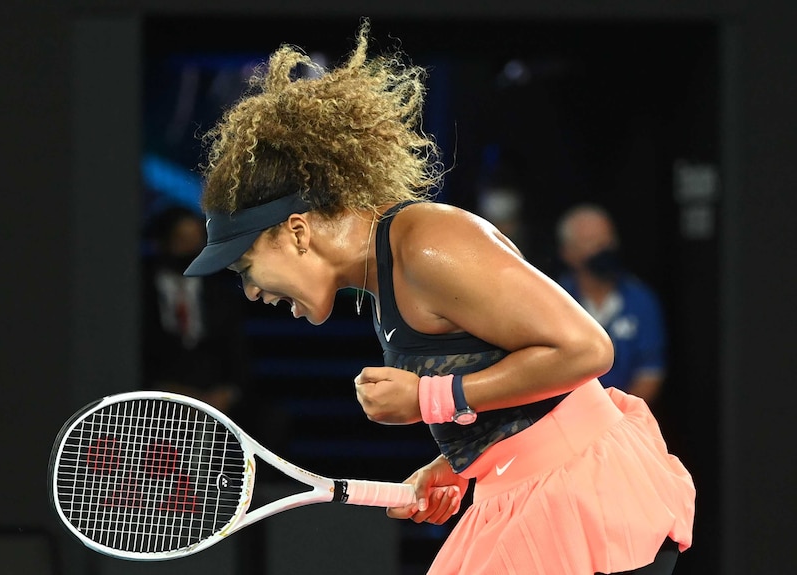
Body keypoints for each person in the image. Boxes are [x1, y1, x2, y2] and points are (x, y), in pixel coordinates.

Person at [183, 20, 695, 575]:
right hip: (527, 494)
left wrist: (431, 399)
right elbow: (512, 388)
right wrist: (459, 461)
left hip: (582, 501)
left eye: (247, 266)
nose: (253, 292)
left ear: (298, 232)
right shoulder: (386, 274)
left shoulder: (425, 242)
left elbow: (587, 351)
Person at [141, 205, 250, 414]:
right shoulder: (140, 292)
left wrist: (226, 394)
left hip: (215, 400)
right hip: (157, 398)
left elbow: (238, 353)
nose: (191, 249)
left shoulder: (221, 293)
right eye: (182, 241)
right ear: (162, 242)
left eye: (196, 241)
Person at [555, 204, 667, 406]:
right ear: (567, 253)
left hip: (624, 418)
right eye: (591, 242)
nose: (603, 247)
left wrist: (616, 419)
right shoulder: (554, 301)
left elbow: (650, 373)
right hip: (567, 417)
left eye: (606, 239)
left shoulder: (640, 300)